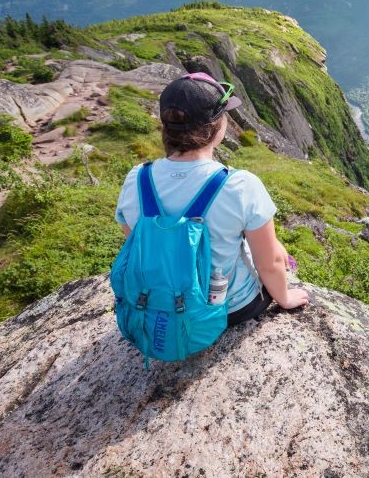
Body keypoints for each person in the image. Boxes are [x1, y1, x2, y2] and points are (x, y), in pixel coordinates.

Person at [114, 72, 309, 325]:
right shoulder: (240, 185)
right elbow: (269, 264)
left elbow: (136, 238)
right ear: (216, 127)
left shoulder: (137, 179)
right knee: (274, 251)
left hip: (159, 303)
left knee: (270, 246)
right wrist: (285, 298)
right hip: (228, 309)